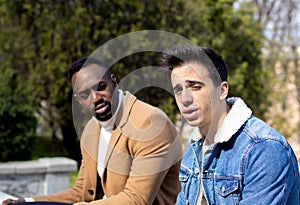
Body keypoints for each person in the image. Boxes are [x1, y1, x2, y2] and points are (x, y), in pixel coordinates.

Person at [3, 56, 182, 205]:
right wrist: (28, 201)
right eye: (85, 95)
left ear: (114, 82)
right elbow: (82, 192)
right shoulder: (91, 130)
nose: (95, 98)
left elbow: (136, 200)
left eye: (101, 87)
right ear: (78, 100)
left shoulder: (148, 123)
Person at [160, 45, 300, 205]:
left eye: (195, 87)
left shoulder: (263, 148)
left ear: (222, 90)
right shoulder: (194, 147)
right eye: (178, 90)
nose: (185, 99)